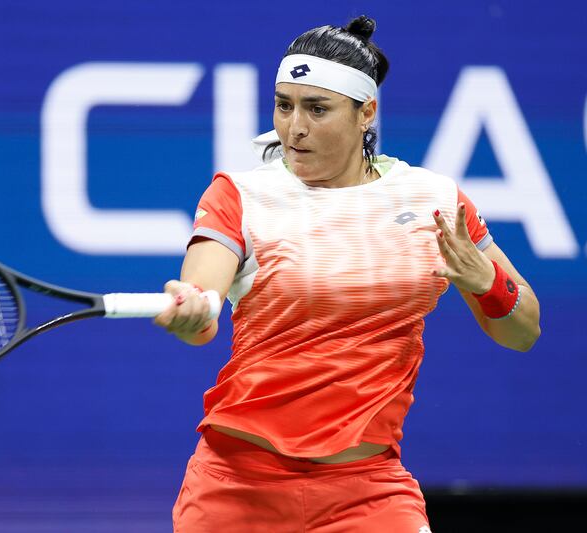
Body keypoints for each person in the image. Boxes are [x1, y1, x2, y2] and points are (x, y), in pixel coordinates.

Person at [155, 15, 541, 533]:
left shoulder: (433, 200)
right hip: (237, 489)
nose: (295, 127)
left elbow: (523, 331)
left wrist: (487, 284)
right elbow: (203, 302)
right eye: (284, 105)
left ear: (367, 113)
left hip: (370, 492)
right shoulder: (241, 195)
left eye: (318, 109)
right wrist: (195, 311)